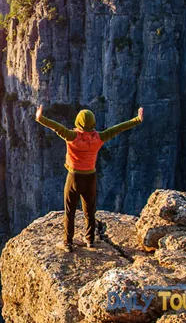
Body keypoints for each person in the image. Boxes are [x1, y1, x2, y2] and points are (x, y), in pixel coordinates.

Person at [35, 104, 144, 252]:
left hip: (74, 177)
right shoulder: (99, 137)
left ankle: (67, 243)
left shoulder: (71, 136)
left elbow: (56, 127)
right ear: (93, 123)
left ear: (78, 122)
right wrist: (137, 119)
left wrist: (40, 118)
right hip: (90, 178)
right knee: (89, 211)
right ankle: (90, 240)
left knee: (70, 211)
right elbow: (118, 128)